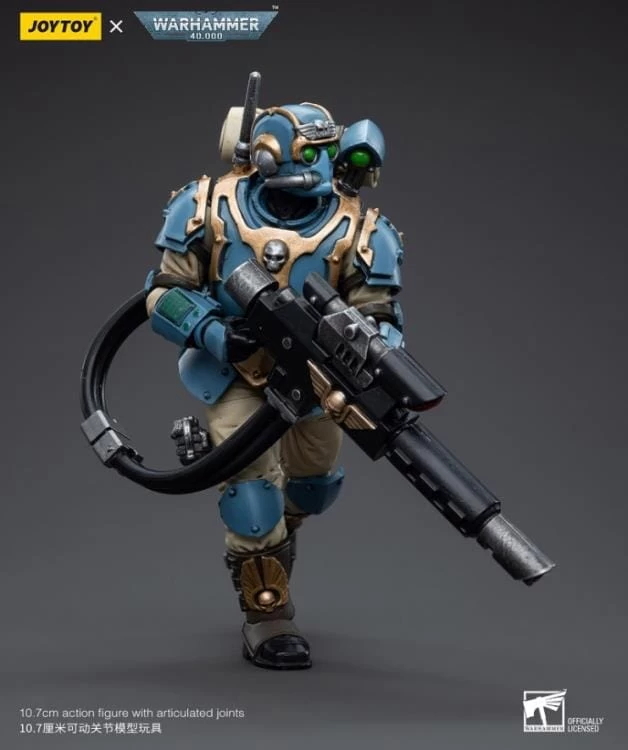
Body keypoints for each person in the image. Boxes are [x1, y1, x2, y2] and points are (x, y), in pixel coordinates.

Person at [144, 74, 405, 669]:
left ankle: (271, 547)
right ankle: (268, 616)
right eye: (306, 156)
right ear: (264, 154)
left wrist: (372, 351)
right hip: (236, 372)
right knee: (253, 497)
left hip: (319, 383)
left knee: (313, 486)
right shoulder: (210, 207)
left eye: (324, 155)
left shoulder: (360, 230)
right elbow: (162, 294)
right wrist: (215, 331)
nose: (320, 169)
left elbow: (381, 315)